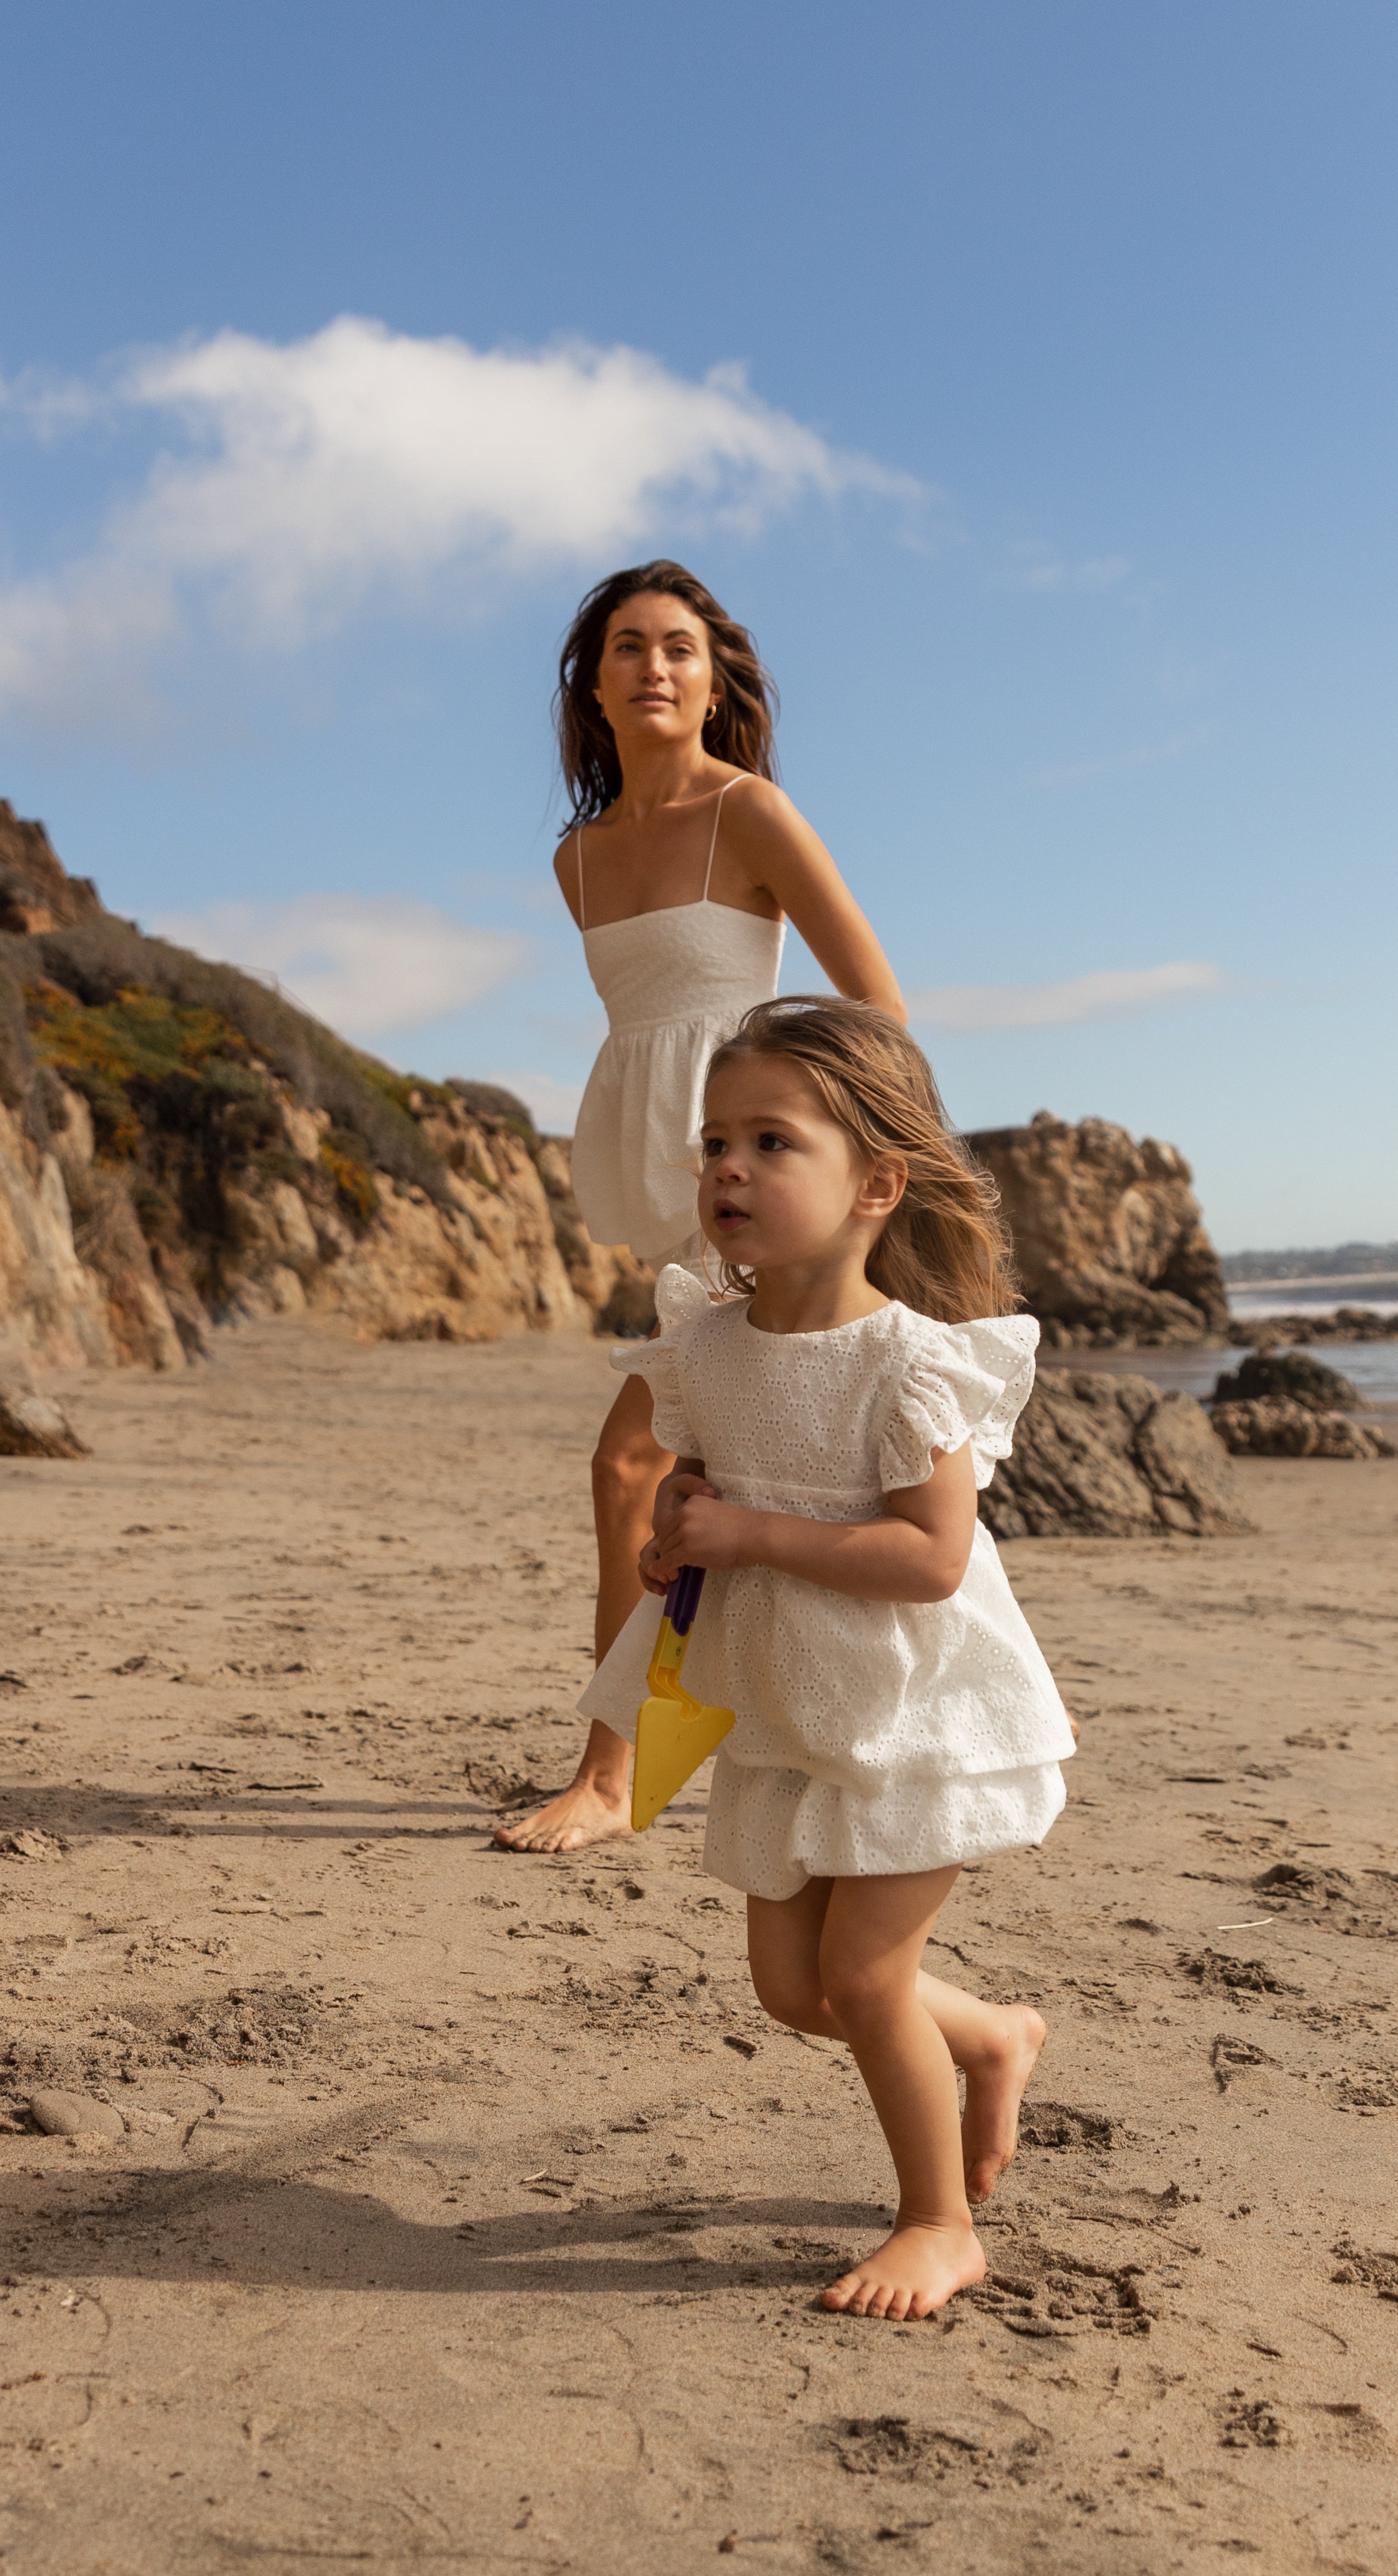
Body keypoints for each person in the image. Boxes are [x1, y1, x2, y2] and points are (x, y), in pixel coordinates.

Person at [575, 996, 1074, 2320]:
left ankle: (937, 2224)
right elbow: (700, 1477)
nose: (727, 1169)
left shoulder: (907, 1366)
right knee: (798, 1991)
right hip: (786, 1706)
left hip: (915, 1710)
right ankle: (995, 2034)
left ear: (876, 1185)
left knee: (862, 1978)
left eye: (772, 1143)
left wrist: (750, 1528)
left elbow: (933, 1559)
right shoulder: (706, 1346)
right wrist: (681, 1537)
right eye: (715, 1142)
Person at [495, 560, 905, 1853]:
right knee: (701, 1478)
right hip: (661, 1166)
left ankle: (614, 1777)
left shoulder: (752, 815)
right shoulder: (578, 859)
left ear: (715, 679)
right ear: (594, 684)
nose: (655, 667)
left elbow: (875, 1009)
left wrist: (805, 1157)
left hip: (749, 1176)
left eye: (680, 647)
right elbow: (646, 1021)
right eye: (629, 647)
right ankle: (733, 1747)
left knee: (634, 1464)